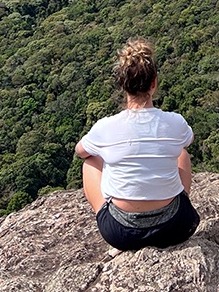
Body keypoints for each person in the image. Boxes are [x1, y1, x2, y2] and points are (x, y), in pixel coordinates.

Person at [75, 38, 200, 252]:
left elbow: (81, 151)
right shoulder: (175, 122)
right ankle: (180, 201)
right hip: (176, 227)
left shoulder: (106, 127)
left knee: (90, 161)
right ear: (154, 83)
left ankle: (103, 211)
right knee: (182, 154)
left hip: (121, 233)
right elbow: (189, 139)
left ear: (123, 85)